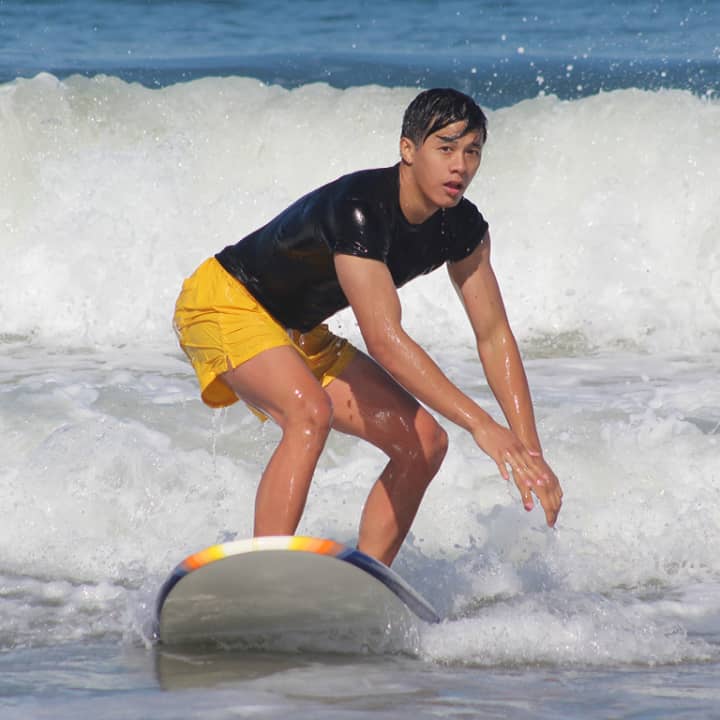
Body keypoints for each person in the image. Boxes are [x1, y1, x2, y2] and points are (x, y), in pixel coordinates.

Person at [174, 88, 563, 567]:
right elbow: (383, 337)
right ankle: (263, 573)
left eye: (472, 151)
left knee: (424, 444)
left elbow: (494, 335)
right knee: (308, 412)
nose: (459, 165)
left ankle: (367, 583)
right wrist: (482, 425)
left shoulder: (461, 228)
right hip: (226, 300)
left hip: (298, 331)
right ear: (407, 149)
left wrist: (530, 452)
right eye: (445, 148)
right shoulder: (361, 208)